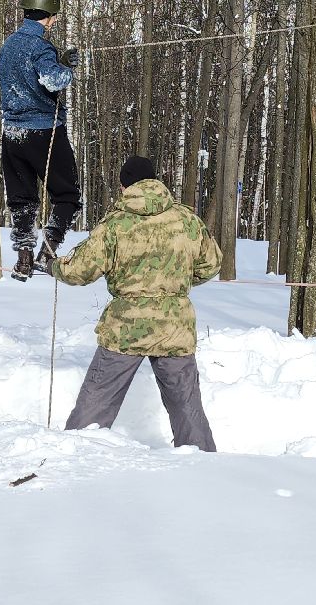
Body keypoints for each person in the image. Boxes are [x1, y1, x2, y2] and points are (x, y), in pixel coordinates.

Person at [47, 155, 221, 452]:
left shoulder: (115, 224)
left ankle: (73, 457)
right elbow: (211, 264)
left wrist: (54, 266)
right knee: (187, 407)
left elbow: (80, 270)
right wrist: (174, 285)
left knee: (96, 402)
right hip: (174, 327)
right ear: (156, 181)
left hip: (126, 328)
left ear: (124, 185)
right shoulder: (186, 220)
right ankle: (202, 466)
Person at [0, 0, 82, 282]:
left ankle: (23, 259)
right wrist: (67, 68)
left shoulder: (8, 45)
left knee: (22, 199)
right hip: (43, 132)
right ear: (50, 15)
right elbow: (52, 80)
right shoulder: (41, 45)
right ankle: (47, 252)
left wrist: (57, 62)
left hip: (11, 135)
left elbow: (26, 77)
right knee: (68, 196)